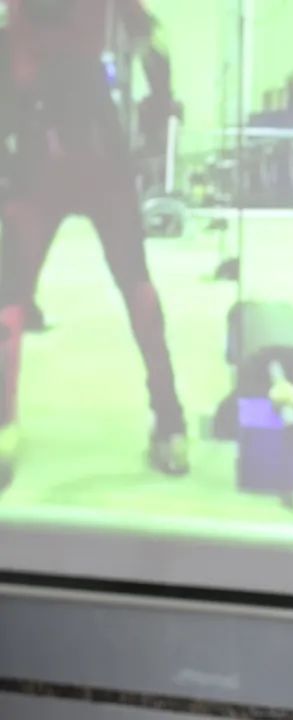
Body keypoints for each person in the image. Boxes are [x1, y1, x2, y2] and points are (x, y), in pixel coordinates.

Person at [0, 0, 188, 485]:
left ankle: (2, 431)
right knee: (135, 282)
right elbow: (155, 41)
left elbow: (7, 56)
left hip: (38, 144)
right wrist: (159, 108)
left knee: (10, 297)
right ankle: (171, 425)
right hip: (97, 143)